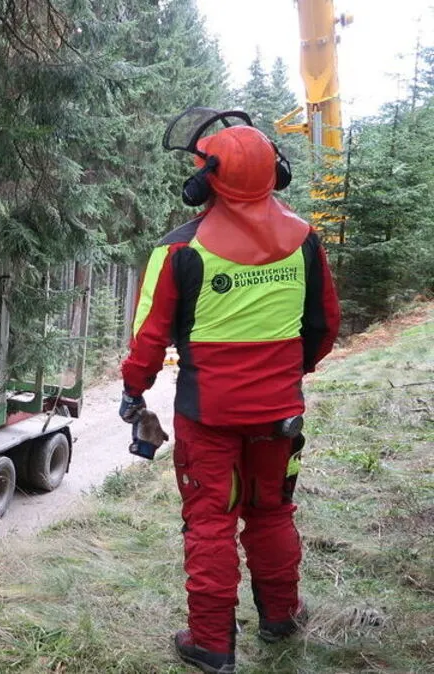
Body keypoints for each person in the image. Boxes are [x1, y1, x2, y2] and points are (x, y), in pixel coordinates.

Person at [120, 108, 341, 674]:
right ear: (276, 171)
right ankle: (282, 618)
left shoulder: (179, 249)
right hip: (280, 414)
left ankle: (211, 644)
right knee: (271, 512)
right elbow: (324, 327)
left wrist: (133, 390)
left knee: (211, 521)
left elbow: (147, 338)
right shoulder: (305, 240)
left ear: (207, 179)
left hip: (207, 418)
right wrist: (288, 375)